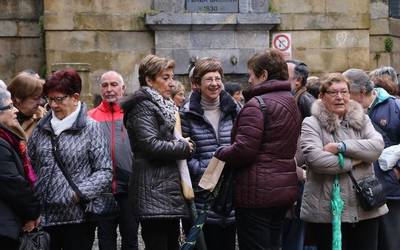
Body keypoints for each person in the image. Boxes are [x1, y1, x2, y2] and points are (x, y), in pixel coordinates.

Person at [215, 49, 301, 249]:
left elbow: (244, 150)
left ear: (264, 75)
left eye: (252, 74)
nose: (250, 80)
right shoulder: (290, 101)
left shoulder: (257, 104)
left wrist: (220, 152)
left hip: (257, 192)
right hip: (283, 189)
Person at [300, 72, 387, 250]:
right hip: (326, 211)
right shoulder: (311, 123)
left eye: (344, 92)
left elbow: (377, 146)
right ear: (322, 96)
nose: (340, 97)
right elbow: (316, 161)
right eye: (333, 92)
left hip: (365, 208)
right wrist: (356, 160)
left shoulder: (362, 119)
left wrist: (341, 148)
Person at [28, 69, 113, 250]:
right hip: (45, 218)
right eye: (49, 100)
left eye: (59, 99)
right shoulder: (40, 129)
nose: (53, 105)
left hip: (77, 217)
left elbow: (104, 171)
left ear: (75, 97)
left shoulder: (91, 128)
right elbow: (30, 166)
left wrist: (77, 194)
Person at [122, 54, 194, 250]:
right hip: (152, 188)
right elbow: (151, 145)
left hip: (163, 187)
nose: (171, 83)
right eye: (165, 77)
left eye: (171, 77)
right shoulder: (143, 107)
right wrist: (183, 147)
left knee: (171, 243)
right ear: (149, 80)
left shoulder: (162, 105)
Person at [180, 58, 238, 250]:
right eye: (209, 79)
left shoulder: (235, 110)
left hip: (230, 193)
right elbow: (183, 155)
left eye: (218, 78)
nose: (214, 83)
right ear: (197, 84)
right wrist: (208, 170)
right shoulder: (186, 114)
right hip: (201, 193)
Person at [343, 68, 400, 250]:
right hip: (358, 193)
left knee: (389, 243)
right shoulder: (345, 111)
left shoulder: (394, 108)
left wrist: (397, 170)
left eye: (346, 91)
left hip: (389, 191)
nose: (341, 96)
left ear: (360, 92)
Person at [88, 71, 139, 250]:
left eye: (114, 84)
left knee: (131, 239)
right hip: (103, 191)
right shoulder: (90, 117)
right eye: (105, 85)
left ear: (123, 88)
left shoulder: (133, 114)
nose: (109, 89)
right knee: (105, 240)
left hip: (130, 189)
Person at [0, 88, 41, 250]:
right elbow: (12, 184)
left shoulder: (6, 136)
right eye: (9, 107)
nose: (15, 110)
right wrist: (32, 213)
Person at [7, 72, 46, 138]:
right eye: (35, 98)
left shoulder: (43, 115)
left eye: (40, 97)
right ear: (18, 98)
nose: (40, 102)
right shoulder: (5, 120)